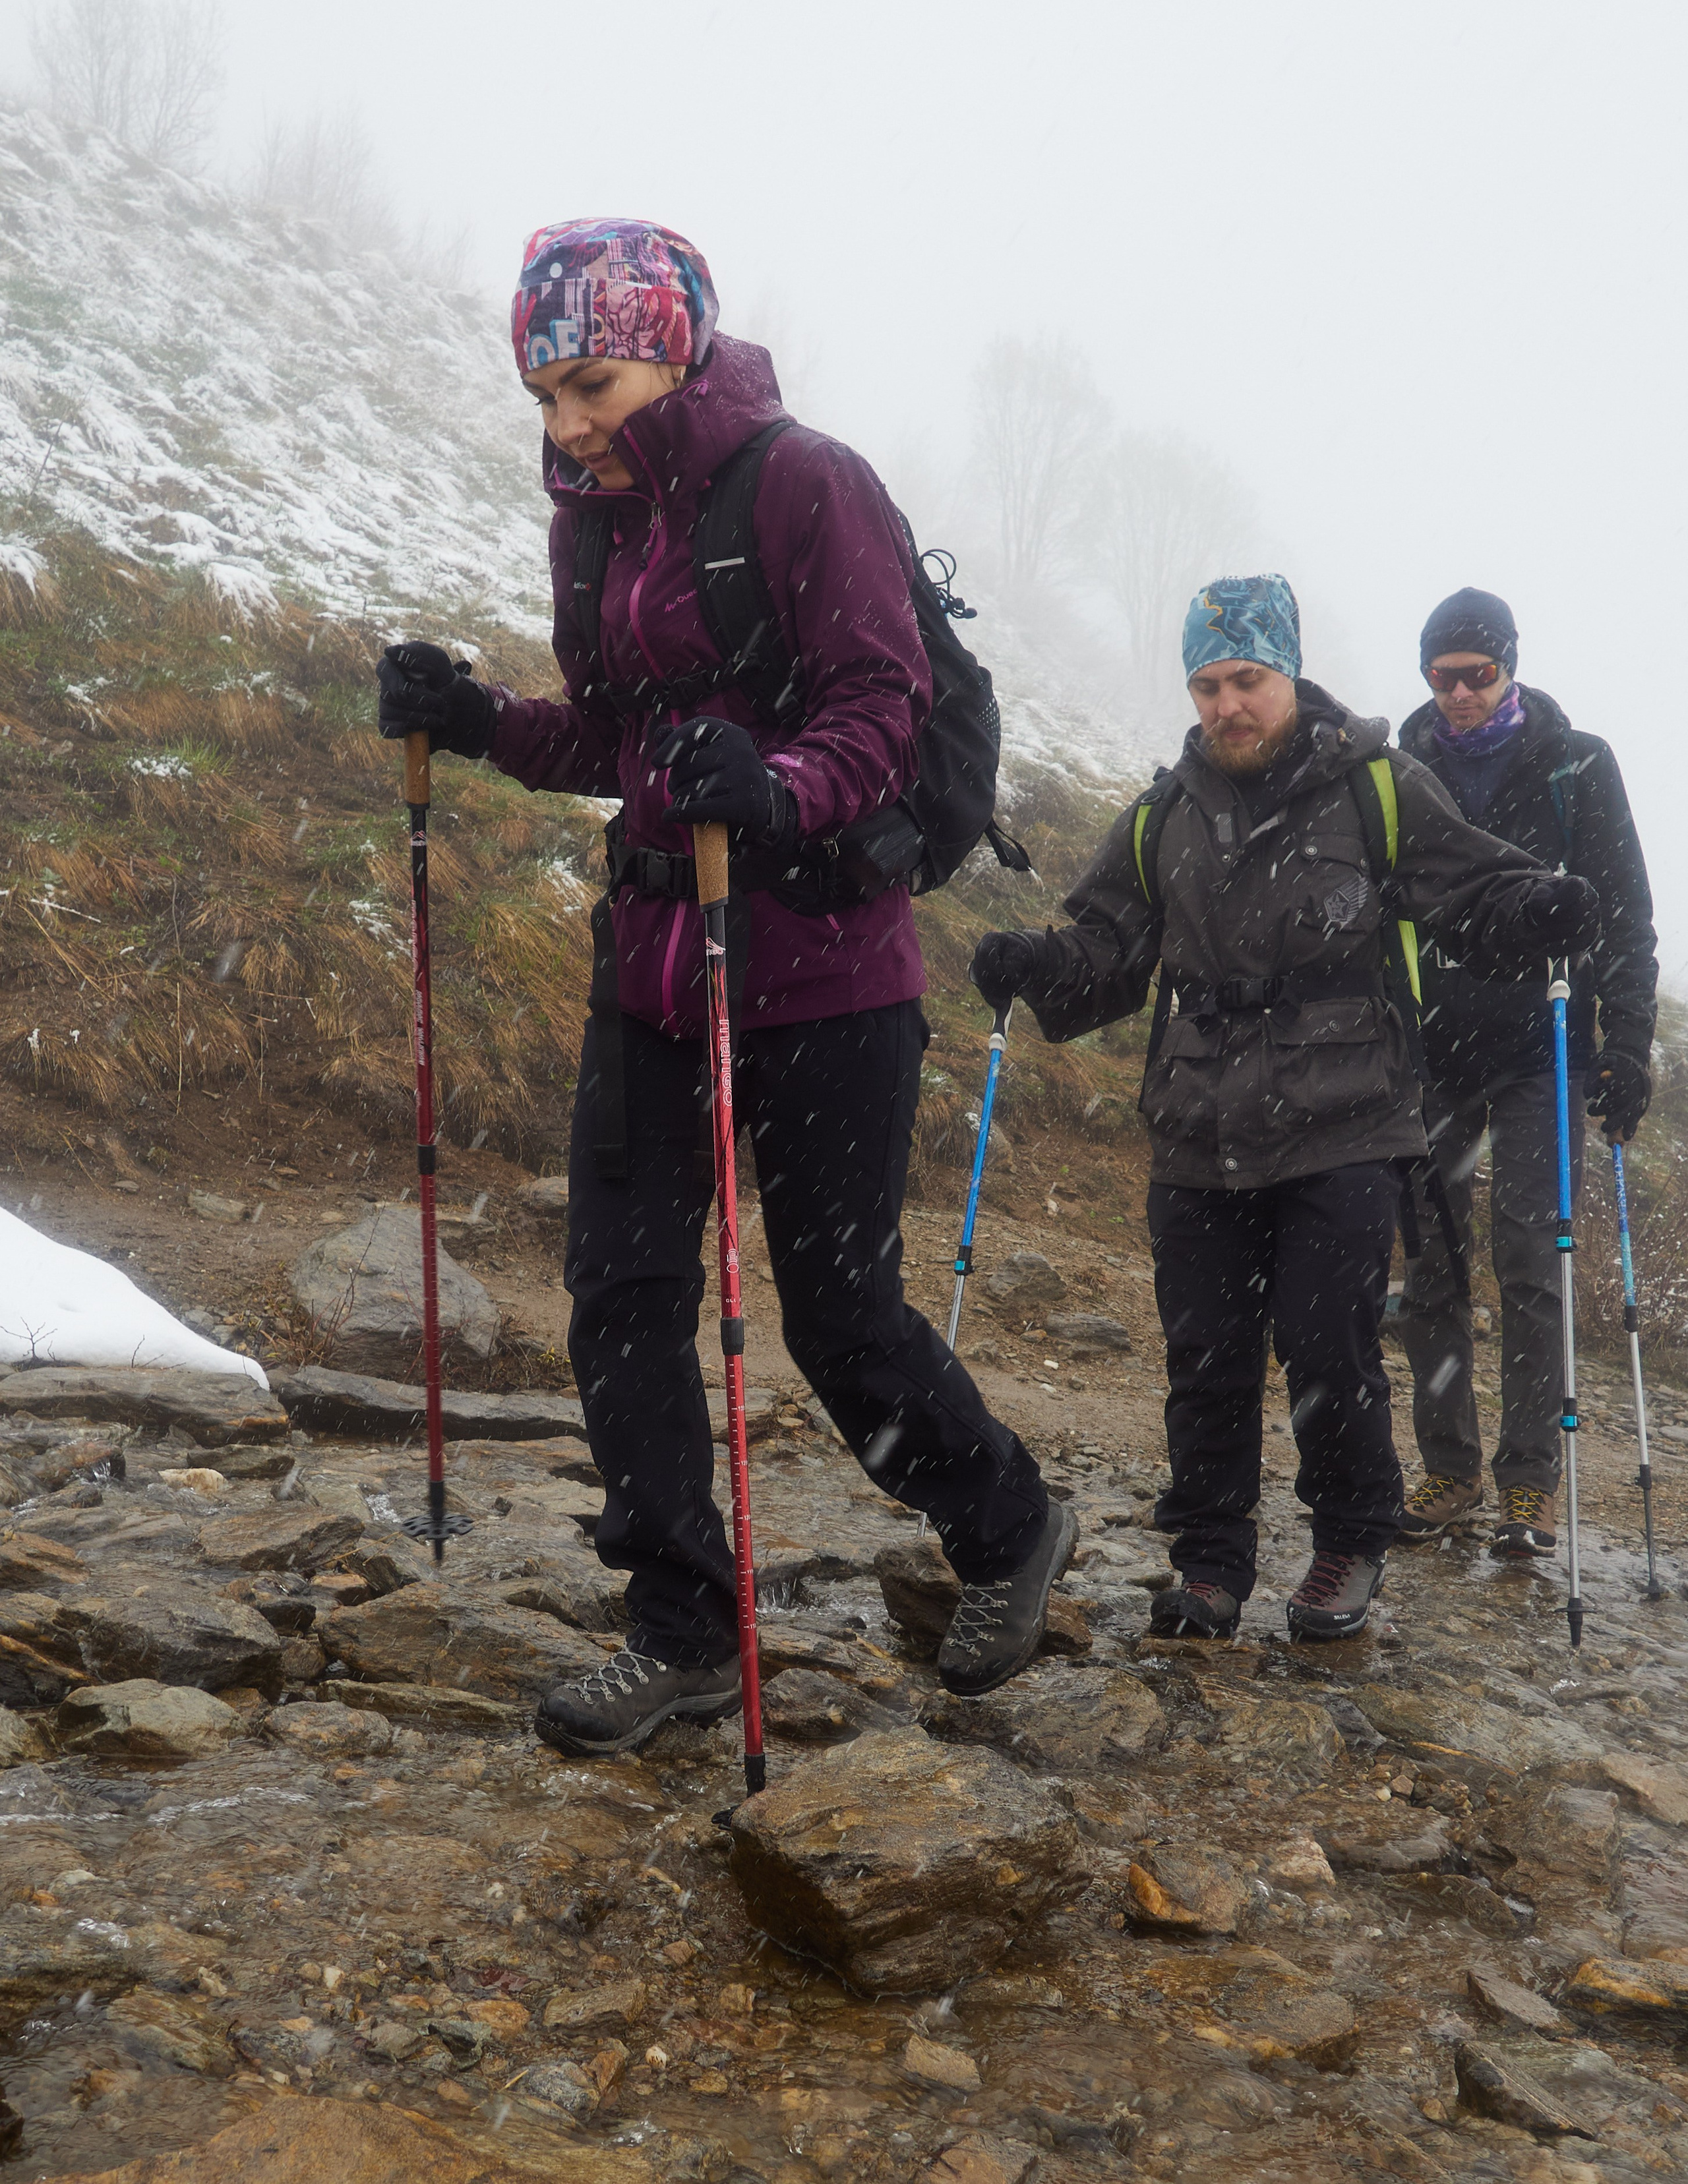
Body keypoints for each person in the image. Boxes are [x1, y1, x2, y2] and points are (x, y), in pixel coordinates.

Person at [374, 220, 1073, 1756]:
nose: (565, 425)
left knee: (836, 1316)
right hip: (649, 971)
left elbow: (878, 714)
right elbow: (617, 741)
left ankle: (1009, 1523)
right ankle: (683, 1629)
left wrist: (775, 786)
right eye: (543, 393)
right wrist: (481, 719)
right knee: (620, 1301)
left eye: (592, 383)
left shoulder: (807, 481)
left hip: (824, 969)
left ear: (673, 351)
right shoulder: (594, 520)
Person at [970, 574, 1598, 1641]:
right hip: (1197, 1121)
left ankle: (1350, 1543)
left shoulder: (1378, 785)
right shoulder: (1164, 810)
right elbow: (1108, 945)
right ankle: (1211, 1562)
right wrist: (1036, 958)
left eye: (1248, 679)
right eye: (1208, 684)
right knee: (1204, 1355)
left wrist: (1539, 903)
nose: (1227, 705)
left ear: (1290, 672)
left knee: (1329, 1344)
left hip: (1346, 1117)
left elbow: (1472, 886)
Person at [1393, 588, 1658, 1555]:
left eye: (1477, 673)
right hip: (1429, 1047)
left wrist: (1627, 1046)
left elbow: (1627, 913)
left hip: (1544, 1046)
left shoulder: (1577, 765)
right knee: (1431, 1262)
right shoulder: (1401, 767)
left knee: (1530, 1260)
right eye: (1441, 674)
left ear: (1510, 666)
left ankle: (1529, 1483)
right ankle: (1450, 1469)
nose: (1458, 692)